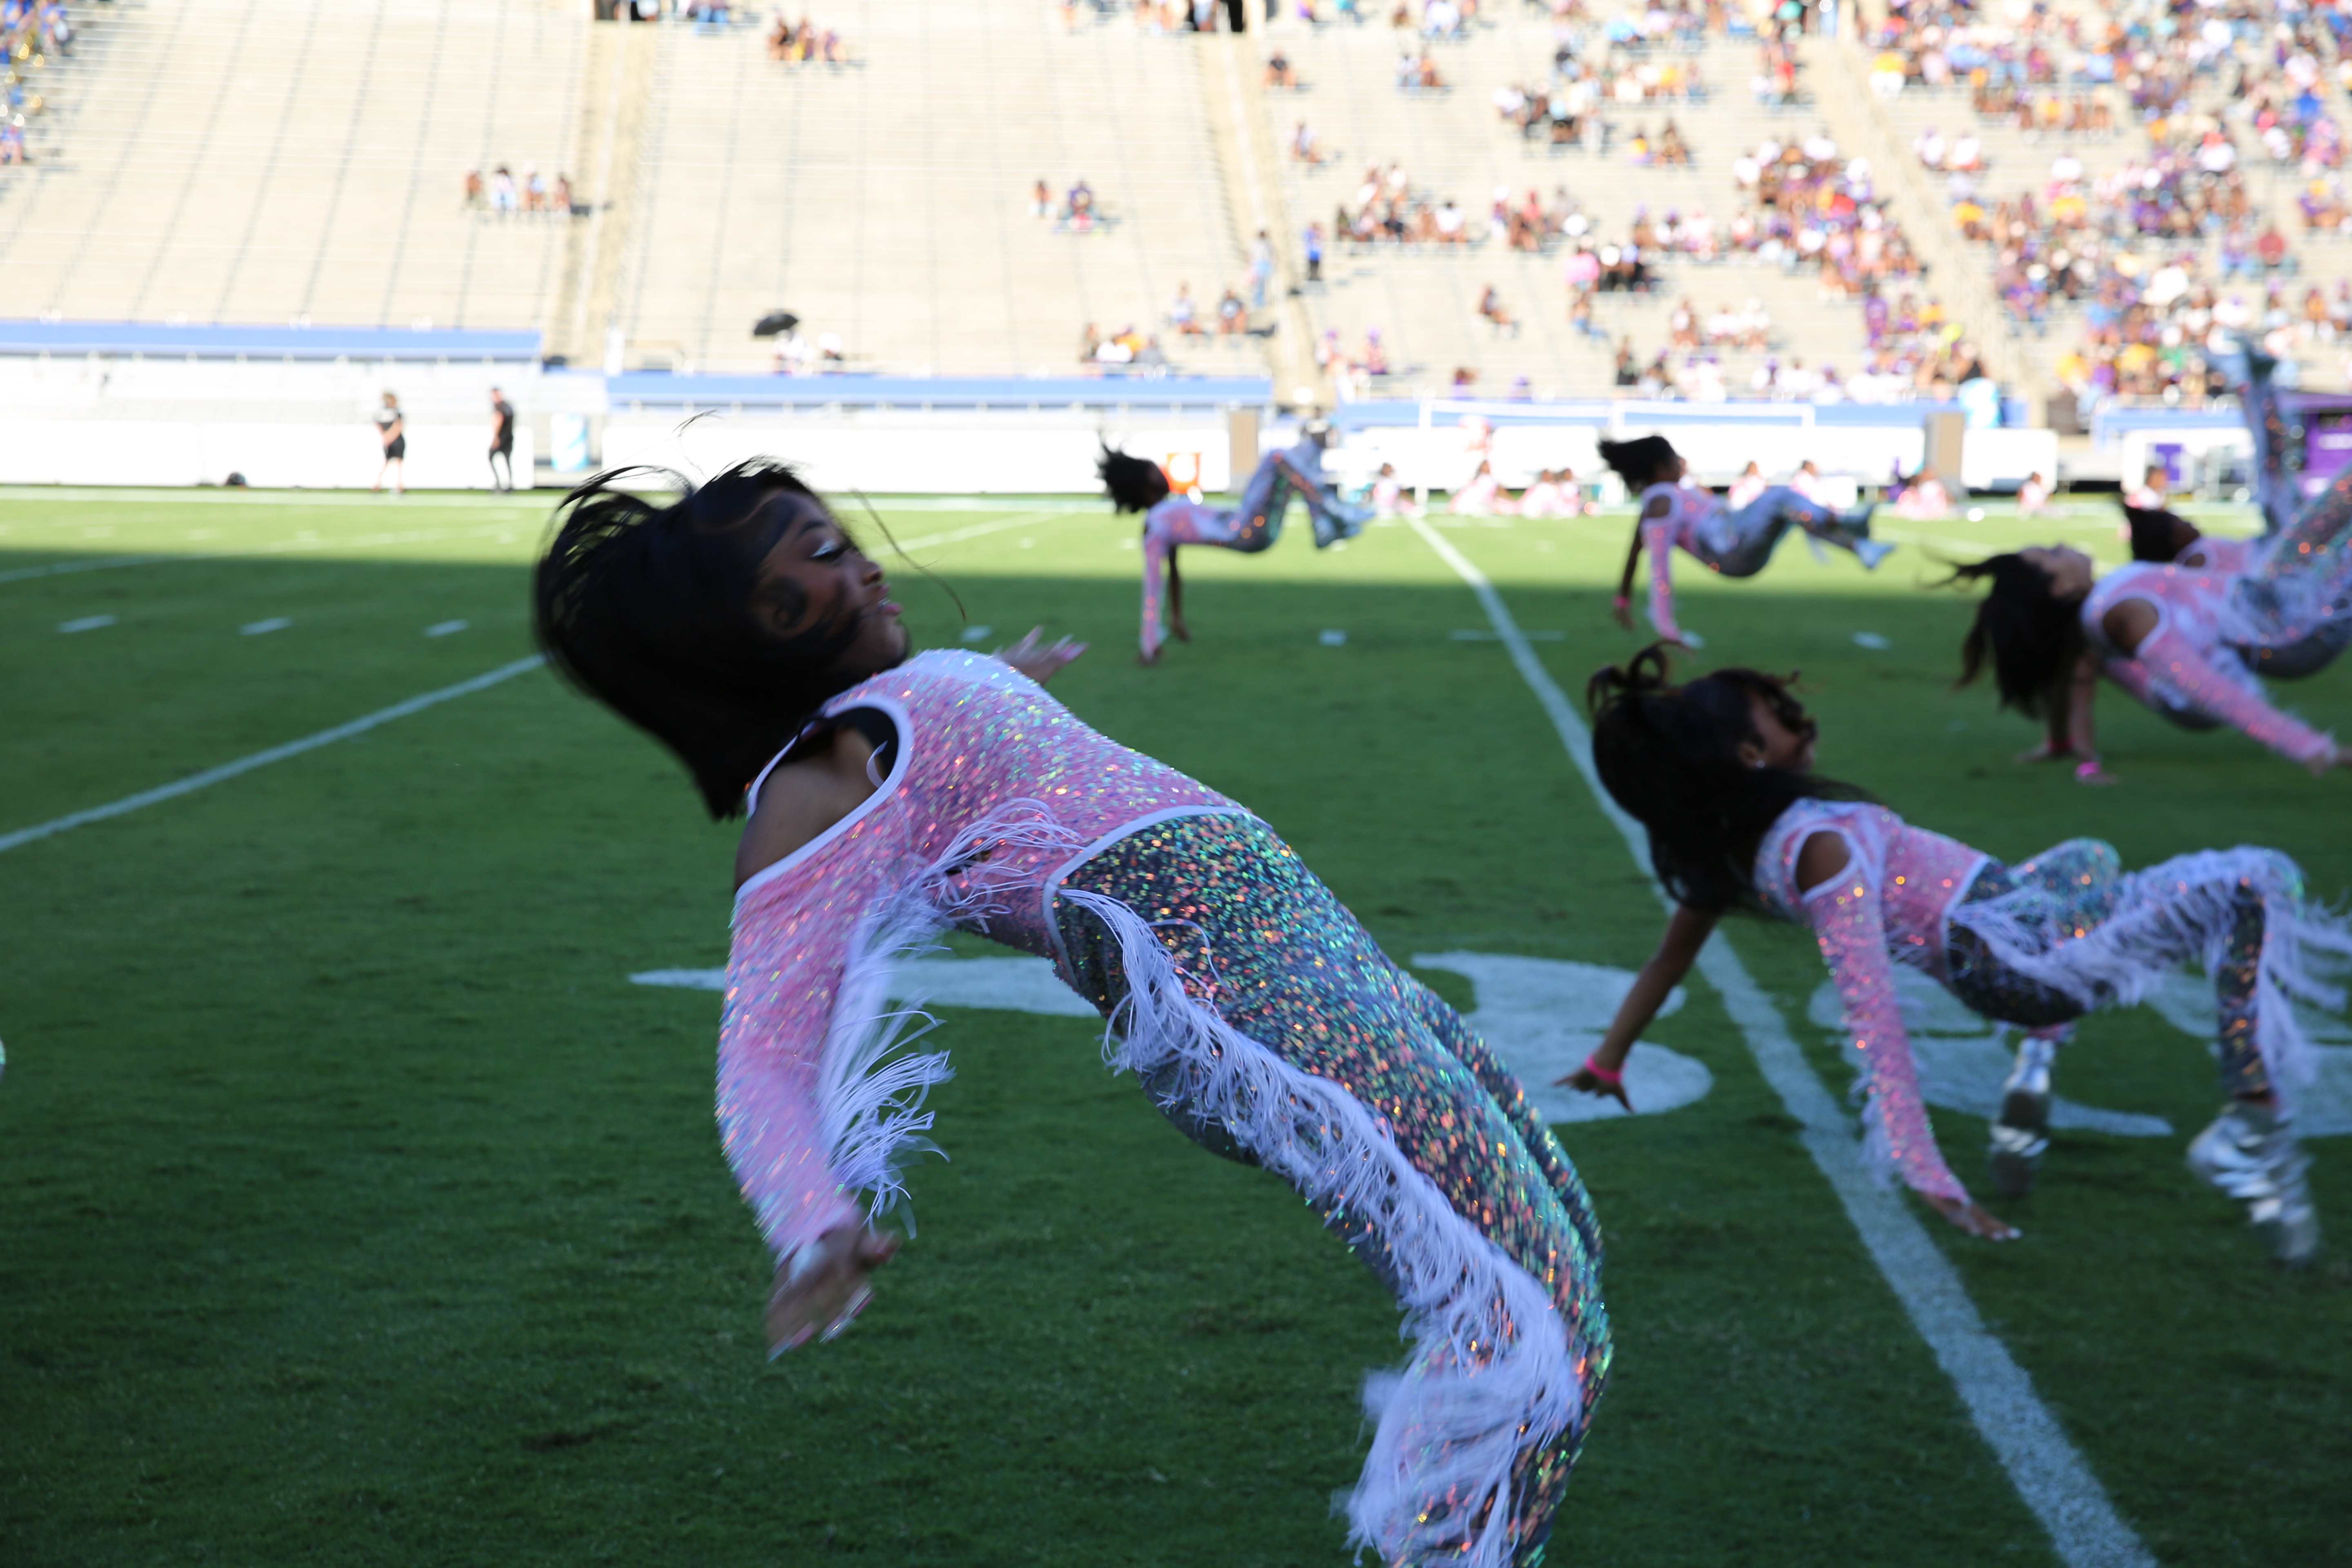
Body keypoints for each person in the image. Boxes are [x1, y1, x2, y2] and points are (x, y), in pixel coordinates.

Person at [531, 461, 1610, 1565]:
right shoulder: (819, 785)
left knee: (1564, 1244)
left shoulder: (884, 719)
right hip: (1253, 1011)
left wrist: (996, 683)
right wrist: (812, 1221)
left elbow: (957, 775)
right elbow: (761, 1055)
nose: (861, 561)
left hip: (1321, 966)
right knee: (1533, 1316)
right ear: (754, 628)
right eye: (816, 557)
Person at [1572, 647, 2340, 1263]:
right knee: (2258, 879)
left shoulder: (1739, 849)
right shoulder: (1820, 845)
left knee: (2090, 856)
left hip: (2026, 927)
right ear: (1750, 755)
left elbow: (1666, 962)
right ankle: (2252, 1127)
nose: (1803, 722)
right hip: (2032, 958)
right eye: (1783, 718)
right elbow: (1870, 1006)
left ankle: (2035, 1068)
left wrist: (1610, 1058)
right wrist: (1925, 1169)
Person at [1602, 435, 1888, 646]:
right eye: (1675, 460)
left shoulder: (1672, 493)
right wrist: (1667, 629)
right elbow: (1659, 567)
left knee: (1791, 510)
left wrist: (1622, 600)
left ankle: (1861, 547)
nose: (1681, 464)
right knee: (1780, 498)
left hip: (1735, 538)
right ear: (1660, 468)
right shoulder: (1660, 503)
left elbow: (1632, 555)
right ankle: (1850, 525)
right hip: (1729, 550)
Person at [1099, 441, 1370, 662]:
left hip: (1250, 525)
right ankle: (1335, 515)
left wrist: (1176, 618)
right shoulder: (1156, 524)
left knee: (1300, 454)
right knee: (1277, 457)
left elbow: (1175, 574)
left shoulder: (1164, 514)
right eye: (1153, 470)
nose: (1161, 471)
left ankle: (1324, 527)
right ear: (1144, 484)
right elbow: (1154, 585)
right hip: (1247, 531)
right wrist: (1149, 644)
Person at [372, 392, 406, 495]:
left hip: (395, 440)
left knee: (398, 463)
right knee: (387, 462)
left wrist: (388, 437)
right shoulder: (382, 412)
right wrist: (386, 437)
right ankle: (377, 484)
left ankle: (399, 485)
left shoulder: (396, 412)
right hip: (389, 440)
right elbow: (379, 425)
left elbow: (398, 426)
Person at [488, 388, 517, 492]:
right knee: (507, 461)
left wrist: (496, 437)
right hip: (509, 437)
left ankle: (499, 483)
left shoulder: (499, 407)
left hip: (502, 438)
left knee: (491, 456)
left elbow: (499, 420)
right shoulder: (508, 406)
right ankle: (509, 484)